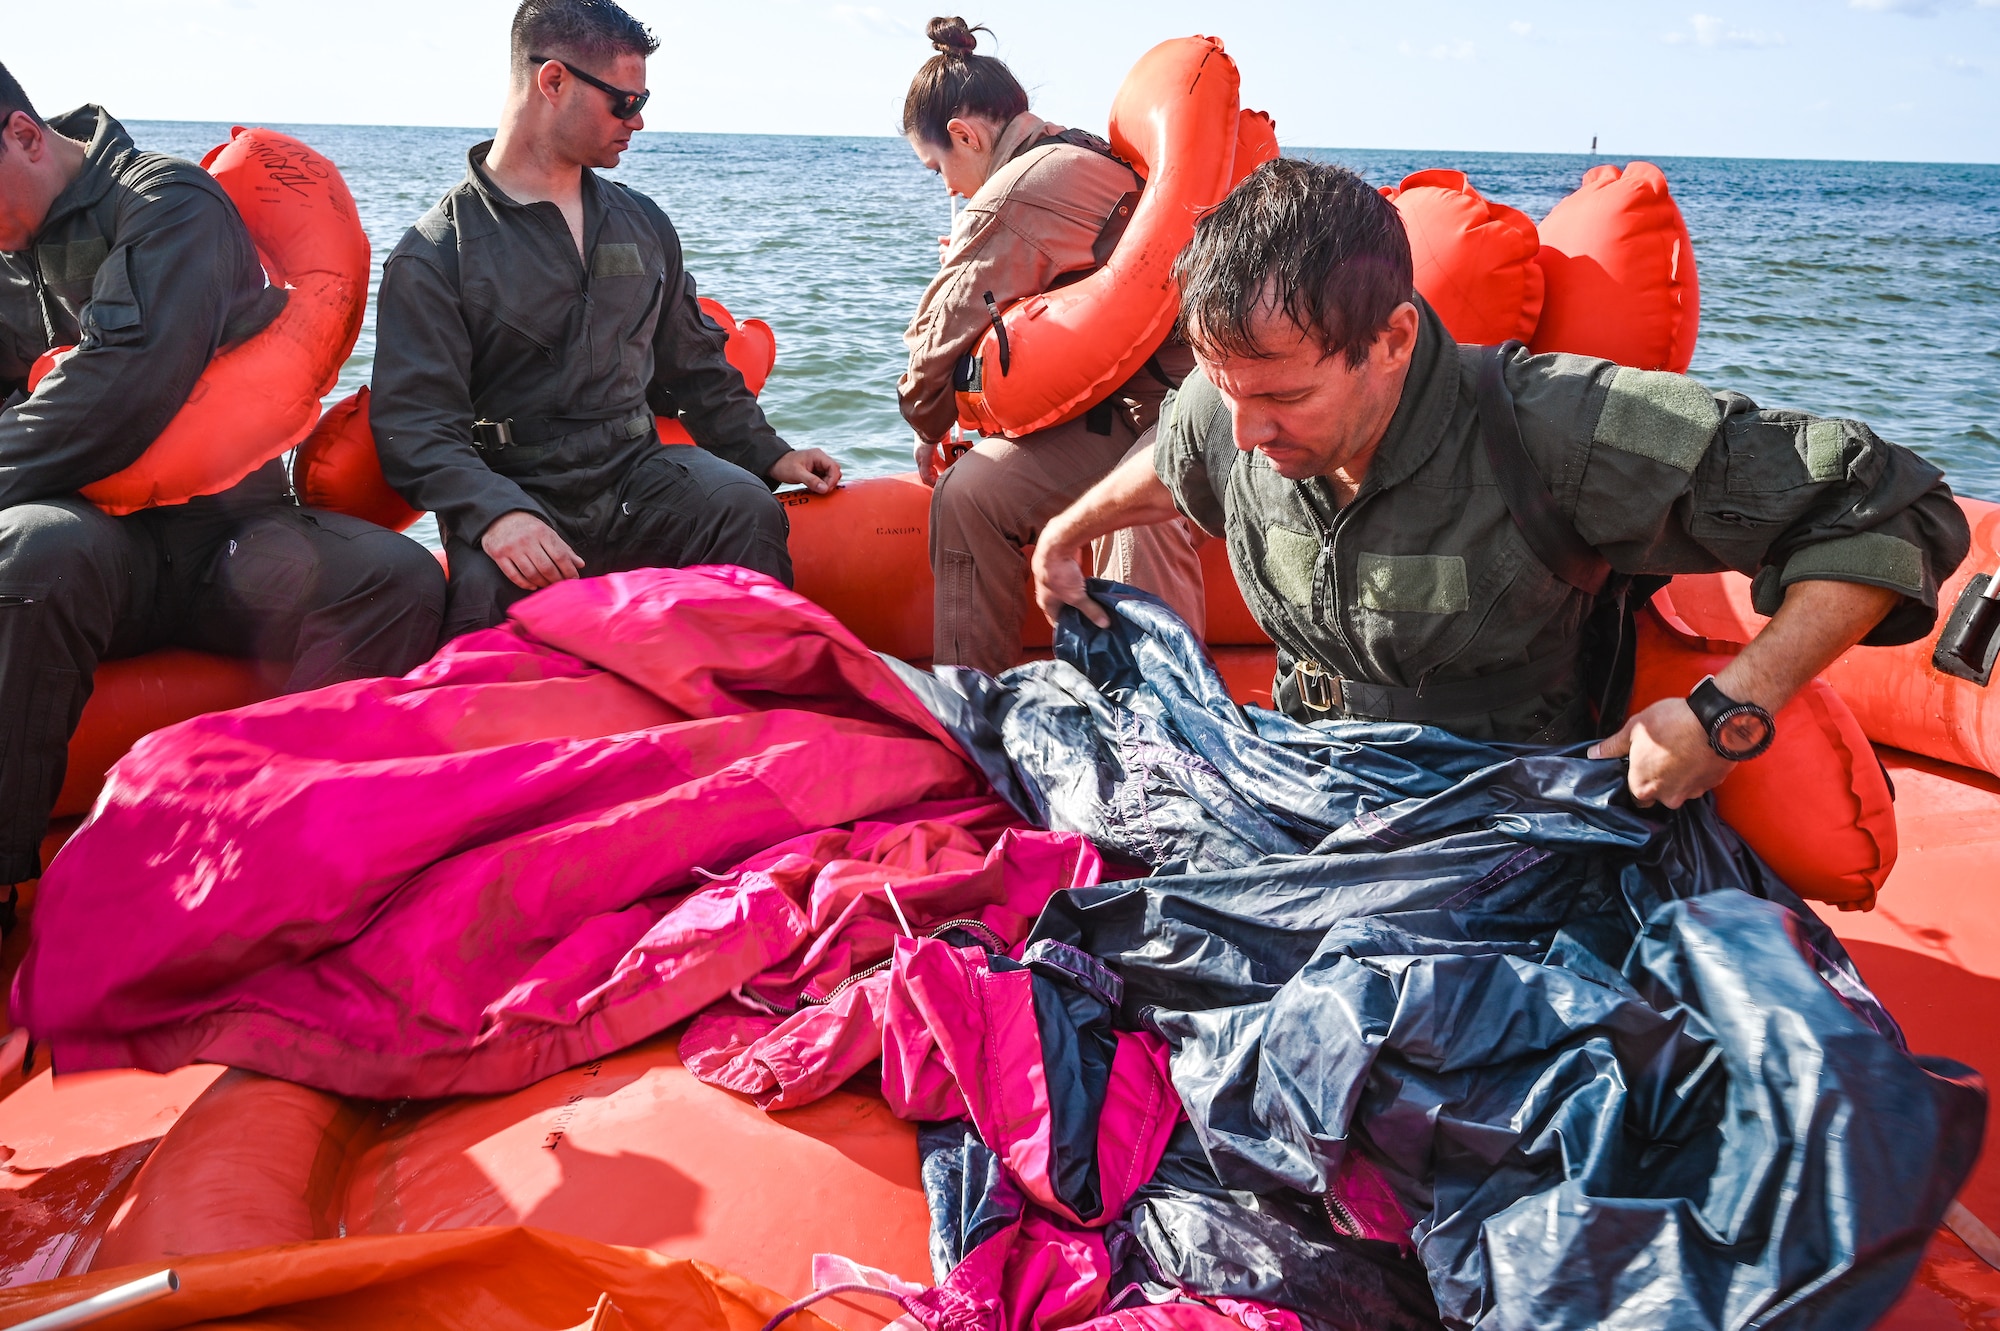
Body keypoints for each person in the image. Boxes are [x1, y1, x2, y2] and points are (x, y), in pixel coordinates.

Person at [1032, 158, 1970, 809]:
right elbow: (1177, 456)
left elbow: (1889, 501)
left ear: (1392, 341)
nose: (1248, 430)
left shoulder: (1557, 429)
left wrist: (1727, 713)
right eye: (1229, 392)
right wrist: (1066, 533)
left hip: (1512, 818)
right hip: (1311, 793)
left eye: (1284, 396)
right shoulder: (1235, 403)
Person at [0, 69, 445, 917]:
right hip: (95, 545)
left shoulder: (170, 205)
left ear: (23, 136)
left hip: (228, 544)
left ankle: (283, 854)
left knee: (400, 579)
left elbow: (118, 395)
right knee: (34, 551)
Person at [372, 0, 842, 642]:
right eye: (624, 102)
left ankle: (756, 718)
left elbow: (695, 365)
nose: (639, 121)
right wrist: (494, 515)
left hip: (636, 475)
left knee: (743, 507)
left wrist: (771, 455)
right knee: (483, 600)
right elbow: (416, 426)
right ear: (554, 81)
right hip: (519, 489)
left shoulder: (642, 222)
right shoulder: (436, 253)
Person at [900, 17, 1206, 675]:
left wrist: (929, 422)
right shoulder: (1084, 151)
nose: (949, 187)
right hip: (1134, 408)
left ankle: (1167, 740)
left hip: (1190, 412)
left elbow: (933, 343)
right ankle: (985, 704)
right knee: (971, 494)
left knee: (1135, 510)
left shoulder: (1018, 191)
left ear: (965, 135)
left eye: (939, 168)